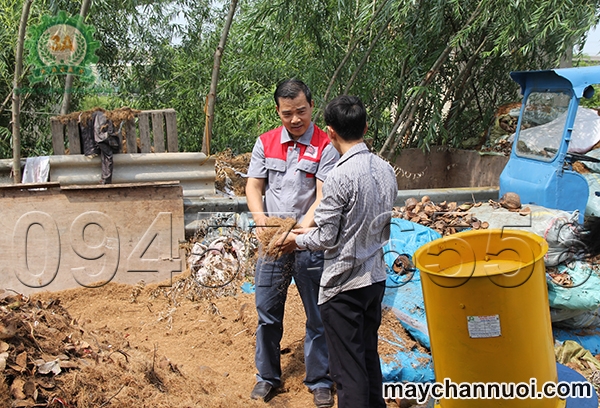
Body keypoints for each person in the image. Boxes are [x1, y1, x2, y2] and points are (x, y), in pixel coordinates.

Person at [280, 95, 398, 408]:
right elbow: (371, 225)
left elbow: (329, 237)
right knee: (367, 358)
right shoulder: (386, 170)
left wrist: (296, 240)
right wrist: (311, 232)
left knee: (348, 372)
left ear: (330, 133)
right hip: (375, 280)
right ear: (366, 127)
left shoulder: (338, 177)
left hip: (344, 287)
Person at [246, 79, 338, 407]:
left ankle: (320, 380)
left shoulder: (327, 145)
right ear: (278, 112)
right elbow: (254, 187)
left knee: (318, 313)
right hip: (272, 242)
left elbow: (323, 198)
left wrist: (297, 235)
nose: (295, 119)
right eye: (288, 114)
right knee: (267, 311)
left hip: (309, 242)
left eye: (301, 111)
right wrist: (261, 222)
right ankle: (267, 377)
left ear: (311, 106)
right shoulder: (265, 143)